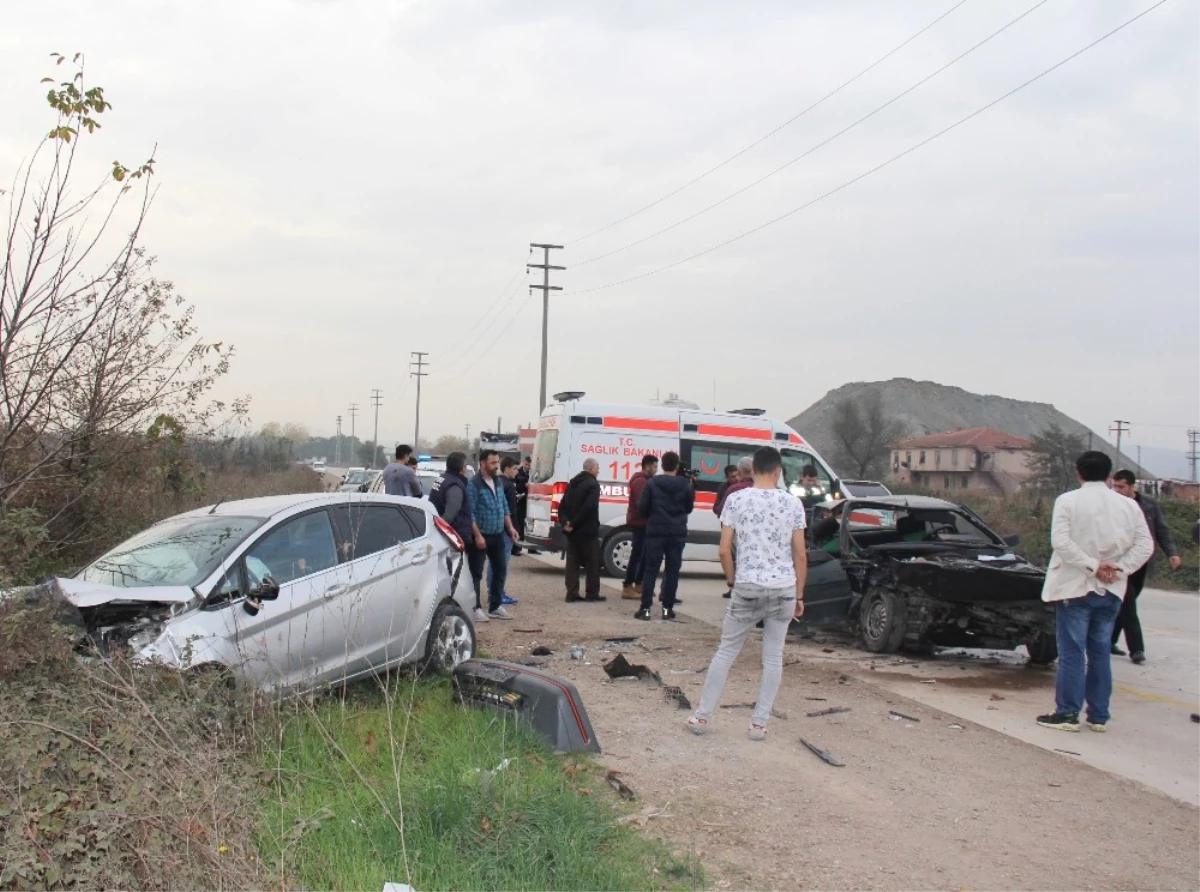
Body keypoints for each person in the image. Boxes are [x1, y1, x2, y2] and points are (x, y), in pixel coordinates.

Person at [686, 446, 807, 741]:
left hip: (747, 586)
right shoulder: (793, 504)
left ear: (752, 470)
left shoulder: (736, 500)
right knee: (773, 656)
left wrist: (732, 581)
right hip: (783, 589)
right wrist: (799, 596)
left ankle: (702, 716)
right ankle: (759, 724)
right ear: (778, 471)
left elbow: (724, 549)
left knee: (726, 651)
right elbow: (800, 554)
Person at [1036, 451, 1152, 733]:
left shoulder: (1067, 501)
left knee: (1072, 653)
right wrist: (1118, 569)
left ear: (1079, 473)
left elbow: (1060, 543)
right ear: (1110, 476)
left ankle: (1067, 713)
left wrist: (1092, 565)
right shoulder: (1128, 506)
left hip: (1074, 587)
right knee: (1100, 652)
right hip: (1111, 589)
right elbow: (1145, 546)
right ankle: (1098, 716)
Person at [1110, 469, 1181, 664]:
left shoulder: (1149, 505)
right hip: (1120, 562)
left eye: (1121, 486)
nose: (1117, 490)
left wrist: (1172, 553)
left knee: (1125, 603)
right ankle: (1137, 649)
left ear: (1132, 486)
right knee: (1128, 604)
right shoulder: (1112, 505)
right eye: (1115, 486)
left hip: (1141, 561)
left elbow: (1161, 531)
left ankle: (1109, 640)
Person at [635, 451, 695, 621]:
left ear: (662, 465)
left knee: (651, 570)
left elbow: (642, 507)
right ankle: (667, 609)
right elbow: (689, 507)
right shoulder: (685, 485)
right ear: (677, 466)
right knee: (672, 571)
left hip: (656, 532)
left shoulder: (652, 483)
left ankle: (645, 609)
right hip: (676, 532)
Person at [466, 449, 520, 621]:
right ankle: (475, 608)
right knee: (476, 573)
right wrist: (477, 536)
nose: (496, 466)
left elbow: (503, 507)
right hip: (481, 536)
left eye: (497, 462)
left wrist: (510, 528)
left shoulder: (497, 481)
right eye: (493, 463)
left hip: (498, 534)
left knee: (500, 569)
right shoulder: (474, 484)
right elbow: (470, 513)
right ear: (482, 463)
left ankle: (495, 606)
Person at [428, 452, 479, 616]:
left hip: (446, 536)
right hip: (453, 538)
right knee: (454, 576)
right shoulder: (455, 486)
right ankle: (452, 608)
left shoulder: (441, 479)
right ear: (462, 468)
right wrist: (443, 533)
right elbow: (450, 514)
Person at [558, 458, 605, 603]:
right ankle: (592, 594)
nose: (598, 470)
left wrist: (566, 523)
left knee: (572, 563)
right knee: (592, 562)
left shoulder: (573, 483)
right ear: (591, 469)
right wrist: (574, 523)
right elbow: (588, 507)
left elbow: (562, 505)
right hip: (587, 530)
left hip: (572, 532)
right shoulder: (593, 484)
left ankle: (571, 593)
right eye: (597, 467)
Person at [714, 456, 754, 598]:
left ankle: (735, 588)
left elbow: (720, 510)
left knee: (736, 559)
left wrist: (731, 582)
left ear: (739, 471)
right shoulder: (767, 490)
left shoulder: (734, 490)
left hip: (736, 534)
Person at [622, 454, 659, 600]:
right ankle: (627, 586)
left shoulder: (645, 481)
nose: (656, 470)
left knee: (643, 555)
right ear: (648, 467)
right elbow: (642, 504)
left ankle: (638, 583)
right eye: (655, 466)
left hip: (644, 523)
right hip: (640, 523)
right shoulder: (640, 482)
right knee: (637, 555)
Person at [495, 457, 521, 606]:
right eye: (515, 468)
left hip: (497, 528)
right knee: (502, 565)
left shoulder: (497, 482)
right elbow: (510, 511)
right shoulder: (509, 486)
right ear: (506, 469)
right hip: (506, 530)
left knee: (495, 564)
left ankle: (496, 592)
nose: (517, 472)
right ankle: (499, 594)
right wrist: (514, 529)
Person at [512, 456, 532, 556]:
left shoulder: (532, 473)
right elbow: (516, 486)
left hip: (531, 501)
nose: (528, 467)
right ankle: (517, 547)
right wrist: (524, 485)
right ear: (523, 463)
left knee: (531, 523)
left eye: (529, 465)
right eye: (526, 464)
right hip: (520, 501)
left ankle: (532, 548)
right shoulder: (518, 473)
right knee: (519, 523)